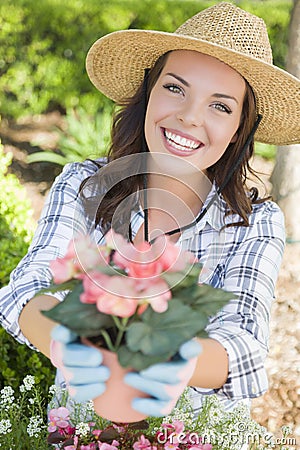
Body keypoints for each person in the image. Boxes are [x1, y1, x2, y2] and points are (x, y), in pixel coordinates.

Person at [1, 1, 300, 423]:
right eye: (175, 88)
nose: (189, 117)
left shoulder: (254, 223)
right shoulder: (85, 186)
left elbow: (244, 343)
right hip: (83, 431)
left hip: (199, 434)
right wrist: (66, 345)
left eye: (221, 106)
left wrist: (173, 362)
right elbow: (28, 289)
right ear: (148, 92)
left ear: (239, 131)